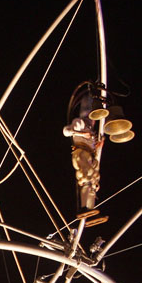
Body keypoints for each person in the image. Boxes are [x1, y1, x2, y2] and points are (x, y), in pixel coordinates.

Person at [62, 82, 104, 216]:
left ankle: (89, 206)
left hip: (88, 154)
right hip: (81, 153)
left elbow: (94, 151)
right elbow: (66, 131)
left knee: (92, 178)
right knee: (87, 178)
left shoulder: (91, 130)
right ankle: (85, 207)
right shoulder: (80, 124)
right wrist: (81, 134)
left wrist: (98, 147)